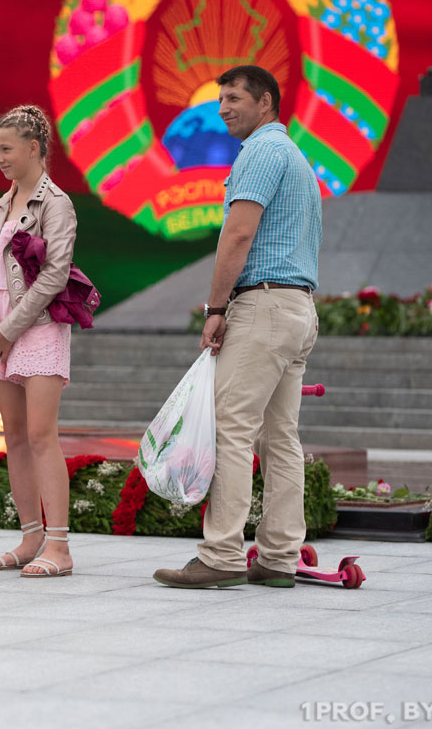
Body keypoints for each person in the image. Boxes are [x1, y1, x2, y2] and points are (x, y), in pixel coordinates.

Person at [154, 65, 321, 590]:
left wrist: (214, 308)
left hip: (265, 308)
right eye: (219, 99)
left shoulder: (261, 152)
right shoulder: (291, 154)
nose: (222, 107)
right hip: (296, 310)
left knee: (231, 431)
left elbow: (238, 234)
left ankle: (222, 554)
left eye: (232, 98)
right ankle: (277, 557)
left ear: (266, 102)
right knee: (280, 438)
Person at [0, 105, 78, 578]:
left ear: (34, 148)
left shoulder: (57, 203)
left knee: (39, 435)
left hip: (36, 327)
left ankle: (60, 547)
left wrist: (8, 329)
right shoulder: (0, 206)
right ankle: (31, 536)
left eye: (6, 149)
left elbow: (55, 274)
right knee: (13, 437)